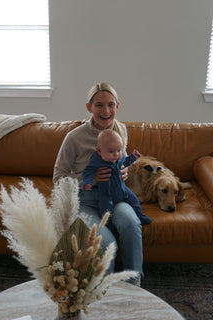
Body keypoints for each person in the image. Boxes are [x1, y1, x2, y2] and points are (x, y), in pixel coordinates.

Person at [53, 82, 144, 285]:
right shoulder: (74, 138)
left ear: (117, 106)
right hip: (85, 200)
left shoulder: (121, 131)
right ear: (89, 107)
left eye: (111, 105)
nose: (106, 111)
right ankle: (103, 293)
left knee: (131, 223)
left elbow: (121, 159)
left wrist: (124, 171)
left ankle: (135, 286)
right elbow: (58, 178)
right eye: (99, 105)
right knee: (105, 242)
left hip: (116, 196)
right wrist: (90, 179)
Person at [82, 129, 151, 225]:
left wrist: (133, 157)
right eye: (111, 151)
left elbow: (125, 163)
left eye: (119, 150)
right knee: (105, 212)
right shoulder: (97, 160)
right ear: (99, 151)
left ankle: (140, 216)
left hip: (123, 190)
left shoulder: (120, 157)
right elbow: (88, 171)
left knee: (134, 199)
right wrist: (88, 182)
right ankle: (108, 226)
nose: (116, 154)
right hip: (107, 194)